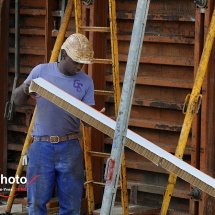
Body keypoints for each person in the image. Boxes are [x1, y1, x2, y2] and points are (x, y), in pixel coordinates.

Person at [13, 33, 96, 215]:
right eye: (76, 62)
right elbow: (16, 100)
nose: (79, 67)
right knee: (36, 204)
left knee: (71, 207)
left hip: (70, 147)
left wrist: (94, 118)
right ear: (64, 55)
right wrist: (25, 88)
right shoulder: (41, 71)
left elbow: (87, 122)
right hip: (41, 146)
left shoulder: (86, 82)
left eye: (82, 63)